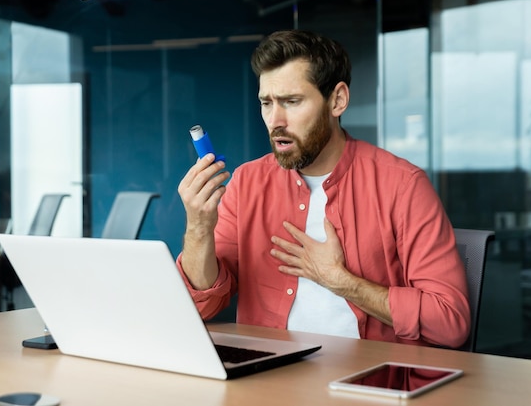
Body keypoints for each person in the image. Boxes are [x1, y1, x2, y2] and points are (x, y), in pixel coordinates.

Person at [176, 29, 470, 348]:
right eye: (266, 103)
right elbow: (201, 305)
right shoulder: (247, 183)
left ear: (337, 100)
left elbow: (450, 322)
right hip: (269, 379)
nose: (275, 120)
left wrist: (343, 282)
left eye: (292, 101)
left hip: (368, 385)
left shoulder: (402, 185)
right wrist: (199, 228)